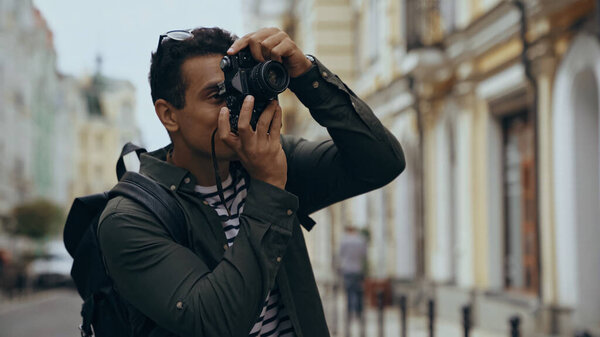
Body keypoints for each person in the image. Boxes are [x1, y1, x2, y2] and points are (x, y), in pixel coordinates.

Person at [97, 26, 405, 337]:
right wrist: (269, 185)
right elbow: (214, 321)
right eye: (218, 95)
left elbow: (381, 162)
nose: (236, 107)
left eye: (239, 91)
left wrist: (307, 76)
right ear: (168, 115)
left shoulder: (272, 159)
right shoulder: (131, 217)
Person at [339, 225, 368, 323]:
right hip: (358, 269)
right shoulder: (361, 240)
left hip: (347, 269)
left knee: (349, 291)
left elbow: (341, 253)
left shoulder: (344, 240)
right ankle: (359, 313)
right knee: (359, 291)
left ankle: (350, 312)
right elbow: (364, 254)